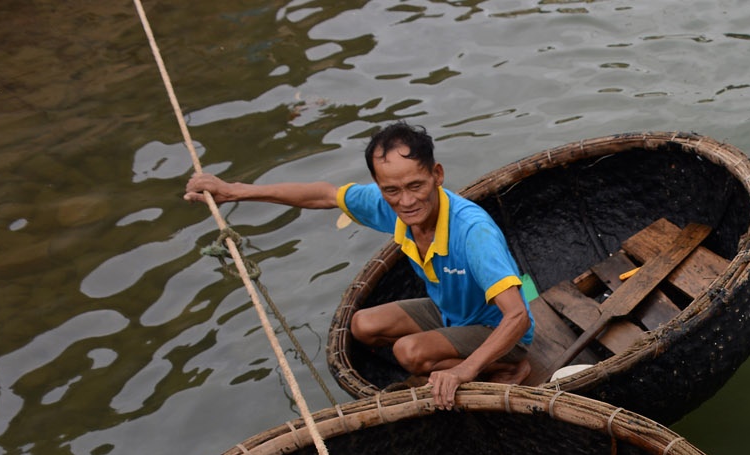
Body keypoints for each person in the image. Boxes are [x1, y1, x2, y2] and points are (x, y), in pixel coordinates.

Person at [185, 123, 533, 408]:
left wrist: (465, 371)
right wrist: (233, 191)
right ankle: (451, 355)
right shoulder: (389, 202)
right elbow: (322, 195)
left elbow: (516, 316)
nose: (407, 201)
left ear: (437, 175)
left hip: (498, 328)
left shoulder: (473, 231)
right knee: (362, 325)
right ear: (381, 187)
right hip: (451, 313)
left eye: (416, 185)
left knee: (407, 353)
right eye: (392, 190)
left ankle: (509, 364)